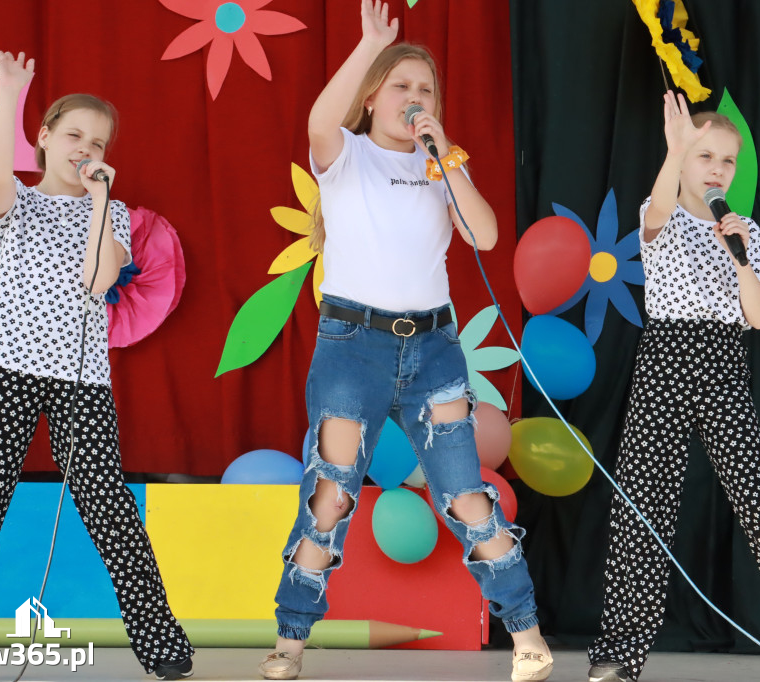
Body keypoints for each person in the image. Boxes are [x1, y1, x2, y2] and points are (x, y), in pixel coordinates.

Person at [257, 2, 553, 681]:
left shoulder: (441, 164)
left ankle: (528, 635)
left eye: (426, 90)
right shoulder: (346, 155)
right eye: (402, 87)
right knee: (330, 493)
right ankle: (291, 639)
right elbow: (316, 122)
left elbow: (483, 235)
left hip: (434, 353)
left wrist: (444, 159)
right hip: (351, 346)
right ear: (372, 97)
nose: (415, 98)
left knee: (465, 495)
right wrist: (368, 47)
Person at [0, 52, 193, 681]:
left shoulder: (115, 213)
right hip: (5, 371)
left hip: (81, 381)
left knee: (109, 507)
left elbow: (100, 279)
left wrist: (99, 199)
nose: (83, 148)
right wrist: (10, 93)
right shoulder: (16, 202)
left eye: (96, 142)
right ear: (42, 137)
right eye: (73, 135)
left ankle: (161, 644)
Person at [586, 91, 760, 682]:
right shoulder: (657, 211)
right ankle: (618, 655)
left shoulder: (745, 230)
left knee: (756, 502)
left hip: (724, 361)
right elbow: (656, 214)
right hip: (666, 358)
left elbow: (758, 317)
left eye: (726, 161)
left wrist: (737, 258)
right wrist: (674, 146)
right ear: (683, 158)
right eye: (704, 156)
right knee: (643, 510)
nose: (715, 169)